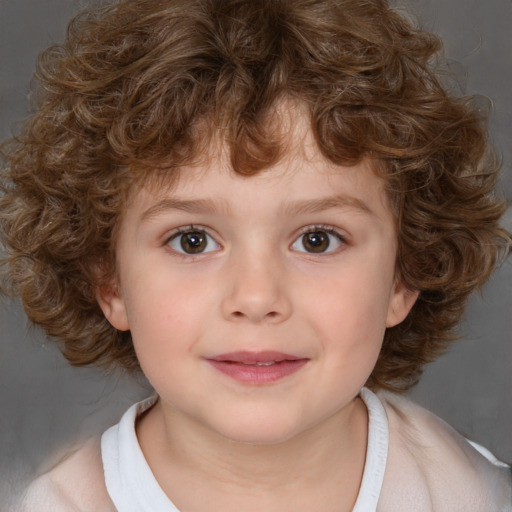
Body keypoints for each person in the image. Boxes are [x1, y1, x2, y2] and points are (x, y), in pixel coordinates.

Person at [1, 0, 511, 510]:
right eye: (192, 240)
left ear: (403, 275)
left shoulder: (474, 495)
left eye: (317, 239)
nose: (257, 297)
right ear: (110, 282)